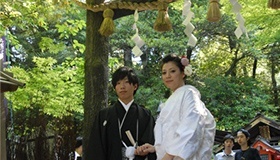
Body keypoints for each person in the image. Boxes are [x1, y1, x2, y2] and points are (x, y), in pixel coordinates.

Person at [135, 54, 216, 159]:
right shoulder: (171, 100)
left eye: (172, 71)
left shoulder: (189, 94)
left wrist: (168, 156)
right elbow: (171, 133)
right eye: (164, 73)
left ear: (183, 73)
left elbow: (191, 127)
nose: (167, 76)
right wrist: (155, 148)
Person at [87, 66, 156, 160]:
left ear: (135, 86)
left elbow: (150, 142)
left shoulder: (145, 115)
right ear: (115, 87)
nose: (122, 87)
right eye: (118, 83)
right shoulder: (103, 115)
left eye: (126, 82)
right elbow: (96, 148)